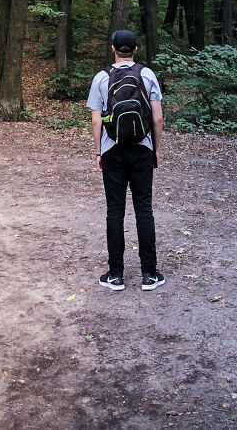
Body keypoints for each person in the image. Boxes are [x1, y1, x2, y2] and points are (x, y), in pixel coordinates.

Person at [86, 29, 165, 291]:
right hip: (143, 149)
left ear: (113, 49)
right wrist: (155, 149)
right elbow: (157, 118)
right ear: (135, 49)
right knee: (144, 209)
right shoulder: (147, 74)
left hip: (113, 150)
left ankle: (115, 275)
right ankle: (150, 274)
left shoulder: (101, 77)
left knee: (114, 211)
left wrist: (99, 152)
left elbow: (97, 119)